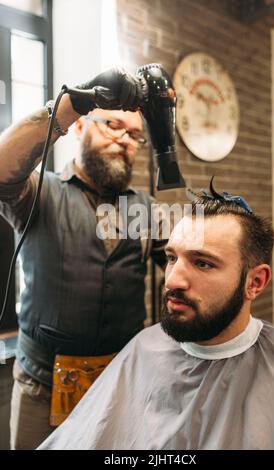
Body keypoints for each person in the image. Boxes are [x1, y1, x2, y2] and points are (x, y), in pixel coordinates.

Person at [38, 183, 274, 450]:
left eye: (203, 263)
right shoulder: (143, 349)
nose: (172, 280)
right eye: (172, 258)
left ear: (255, 282)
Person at [0, 68, 166, 450]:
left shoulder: (146, 211)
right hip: (40, 391)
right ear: (79, 128)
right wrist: (73, 103)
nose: (124, 139)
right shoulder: (41, 192)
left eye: (135, 135)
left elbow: (187, 260)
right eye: (112, 124)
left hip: (122, 385)